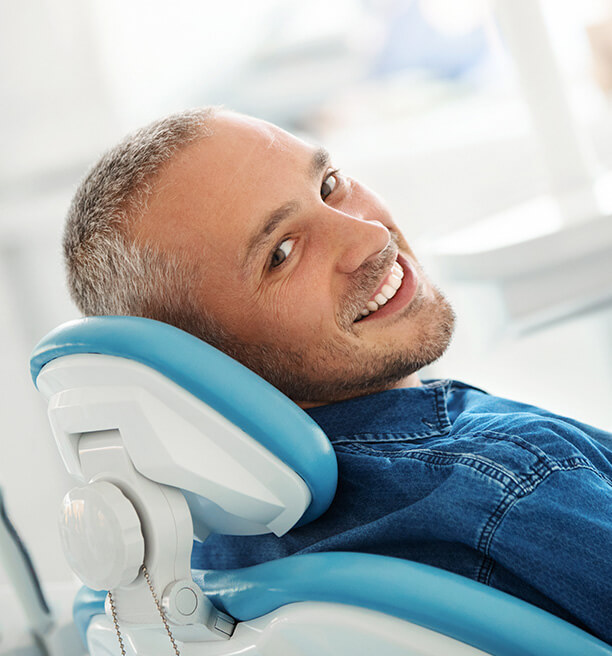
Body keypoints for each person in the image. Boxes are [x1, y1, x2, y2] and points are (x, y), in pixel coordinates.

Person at [63, 107, 612, 644]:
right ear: (206, 361)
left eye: (329, 185)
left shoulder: (188, 569)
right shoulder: (514, 479)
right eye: (281, 253)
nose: (369, 236)